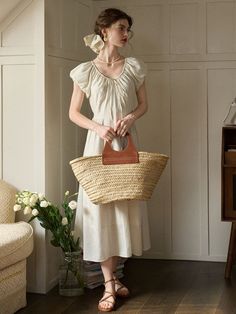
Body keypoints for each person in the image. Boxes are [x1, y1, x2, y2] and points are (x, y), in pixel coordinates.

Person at [69, 8, 150, 312]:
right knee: (101, 209)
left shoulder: (134, 67)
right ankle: (107, 285)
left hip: (126, 142)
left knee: (122, 208)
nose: (126, 33)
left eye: (128, 28)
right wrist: (98, 126)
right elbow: (73, 113)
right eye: (120, 27)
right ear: (104, 30)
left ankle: (115, 278)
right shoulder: (85, 70)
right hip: (98, 144)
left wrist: (129, 118)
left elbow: (143, 105)